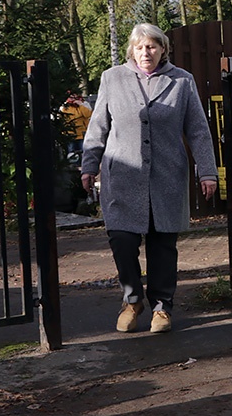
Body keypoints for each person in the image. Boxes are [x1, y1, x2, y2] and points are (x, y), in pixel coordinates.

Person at [81, 23, 217, 335]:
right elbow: (98, 127)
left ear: (163, 49)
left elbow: (197, 129)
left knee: (163, 246)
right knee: (122, 241)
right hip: (123, 179)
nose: (147, 52)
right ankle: (132, 301)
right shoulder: (112, 79)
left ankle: (162, 308)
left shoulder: (182, 81)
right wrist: (89, 165)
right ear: (131, 50)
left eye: (153, 46)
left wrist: (207, 171)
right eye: (141, 47)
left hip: (166, 178)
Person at [60, 92, 93, 164]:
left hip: (82, 133)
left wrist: (80, 105)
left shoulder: (84, 104)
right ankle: (73, 167)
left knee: (83, 152)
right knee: (71, 153)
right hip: (70, 134)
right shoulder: (65, 106)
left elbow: (88, 114)